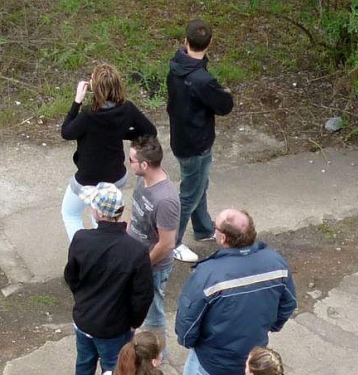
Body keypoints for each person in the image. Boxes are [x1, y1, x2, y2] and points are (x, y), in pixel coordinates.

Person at [174, 208, 296, 375]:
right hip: (248, 360)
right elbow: (288, 303)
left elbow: (187, 323)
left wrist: (191, 343)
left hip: (209, 361)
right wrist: (269, 327)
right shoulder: (276, 263)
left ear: (222, 238)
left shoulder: (208, 274)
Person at [64, 182, 154, 375]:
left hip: (84, 321)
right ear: (121, 212)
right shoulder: (136, 251)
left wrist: (83, 301)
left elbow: (71, 277)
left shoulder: (81, 239)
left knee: (84, 366)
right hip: (115, 327)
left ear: (96, 212)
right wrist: (134, 322)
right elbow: (142, 296)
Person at [61, 63, 157, 242]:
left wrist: (77, 102)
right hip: (115, 178)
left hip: (87, 180)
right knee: (103, 219)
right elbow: (150, 131)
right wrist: (124, 134)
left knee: (70, 213)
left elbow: (66, 132)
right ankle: (104, 253)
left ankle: (83, 251)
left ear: (95, 87)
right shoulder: (127, 109)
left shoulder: (88, 115)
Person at [167, 19, 234, 263]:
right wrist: (225, 93)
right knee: (190, 193)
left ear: (185, 41)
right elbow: (224, 106)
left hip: (181, 137)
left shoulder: (176, 67)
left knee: (198, 185)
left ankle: (204, 228)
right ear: (210, 43)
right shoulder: (203, 80)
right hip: (196, 144)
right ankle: (172, 242)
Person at [127, 135, 179, 342]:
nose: (128, 164)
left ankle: (157, 354)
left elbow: (167, 244)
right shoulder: (143, 179)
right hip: (135, 256)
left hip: (153, 267)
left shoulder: (165, 200)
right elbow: (136, 212)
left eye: (131, 160)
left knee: (153, 313)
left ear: (145, 164)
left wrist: (143, 265)